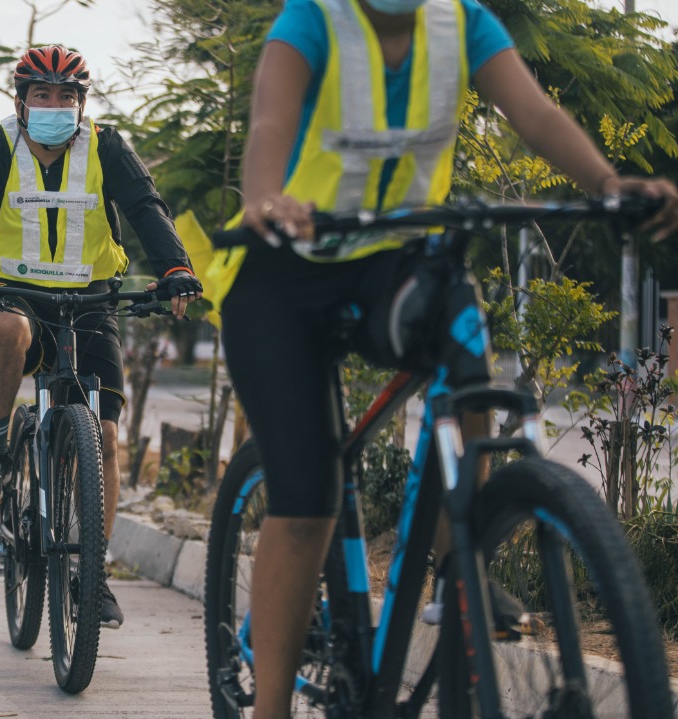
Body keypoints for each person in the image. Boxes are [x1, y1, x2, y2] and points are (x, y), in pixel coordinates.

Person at [207, 1, 678, 716]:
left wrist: (607, 184)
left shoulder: (461, 23)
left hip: (388, 266)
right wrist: (267, 197)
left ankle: (459, 571)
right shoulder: (312, 18)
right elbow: (270, 122)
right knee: (308, 501)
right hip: (281, 276)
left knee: (466, 338)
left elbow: (536, 114)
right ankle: (269, 707)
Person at [0, 45, 205, 629]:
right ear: (21, 101)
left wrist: (175, 268)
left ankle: (93, 575)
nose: (55, 106)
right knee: (5, 330)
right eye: (43, 95)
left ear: (82, 104)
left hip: (90, 299)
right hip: (4, 289)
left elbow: (146, 208)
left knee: (105, 438)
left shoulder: (108, 146)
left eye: (67, 96)